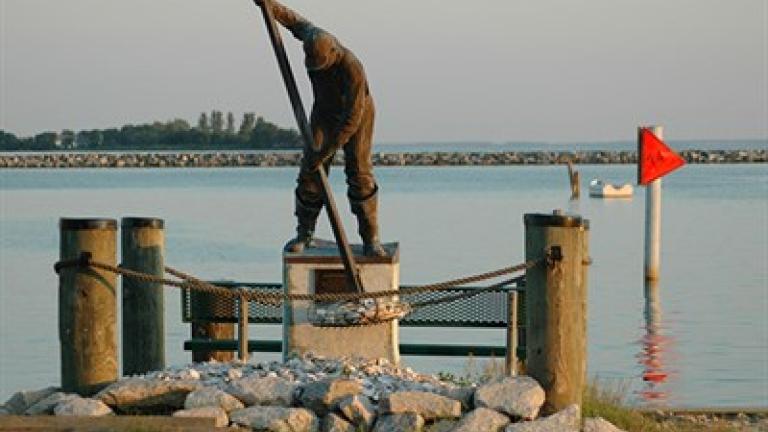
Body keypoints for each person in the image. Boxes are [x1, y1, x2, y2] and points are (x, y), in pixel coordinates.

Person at [261, 0, 385, 257]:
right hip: (324, 113)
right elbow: (292, 19)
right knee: (310, 172)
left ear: (334, 55)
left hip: (357, 117)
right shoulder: (312, 35)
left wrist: (326, 152)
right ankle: (304, 233)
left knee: (359, 173)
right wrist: (267, 4)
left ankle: (371, 238)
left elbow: (350, 121)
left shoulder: (352, 68)